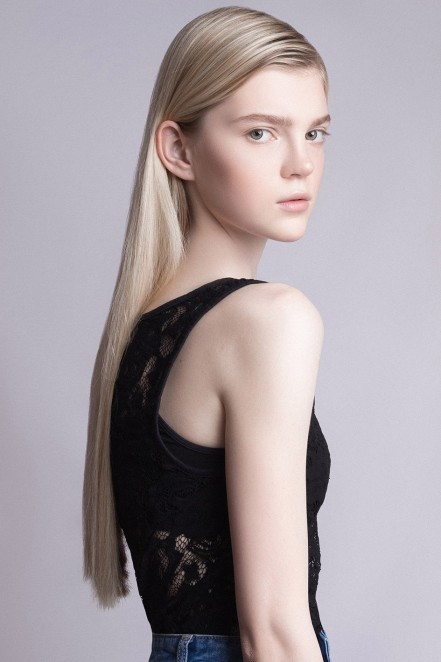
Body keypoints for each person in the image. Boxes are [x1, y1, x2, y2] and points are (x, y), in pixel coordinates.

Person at [82, 6, 332, 661]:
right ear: (179, 150)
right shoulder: (267, 320)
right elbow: (273, 633)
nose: (300, 164)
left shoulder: (142, 338)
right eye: (260, 133)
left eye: (315, 133)